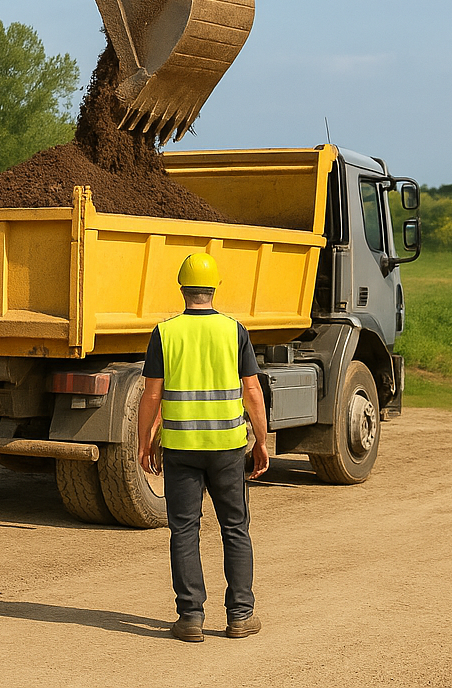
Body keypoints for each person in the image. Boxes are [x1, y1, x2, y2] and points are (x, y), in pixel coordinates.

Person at [137, 251, 269, 643]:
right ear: (214, 288)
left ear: (182, 288)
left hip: (181, 447)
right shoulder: (234, 330)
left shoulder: (165, 332)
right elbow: (252, 391)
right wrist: (261, 441)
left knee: (184, 530)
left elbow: (150, 395)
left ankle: (190, 618)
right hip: (228, 447)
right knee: (235, 528)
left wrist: (145, 441)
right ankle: (240, 616)